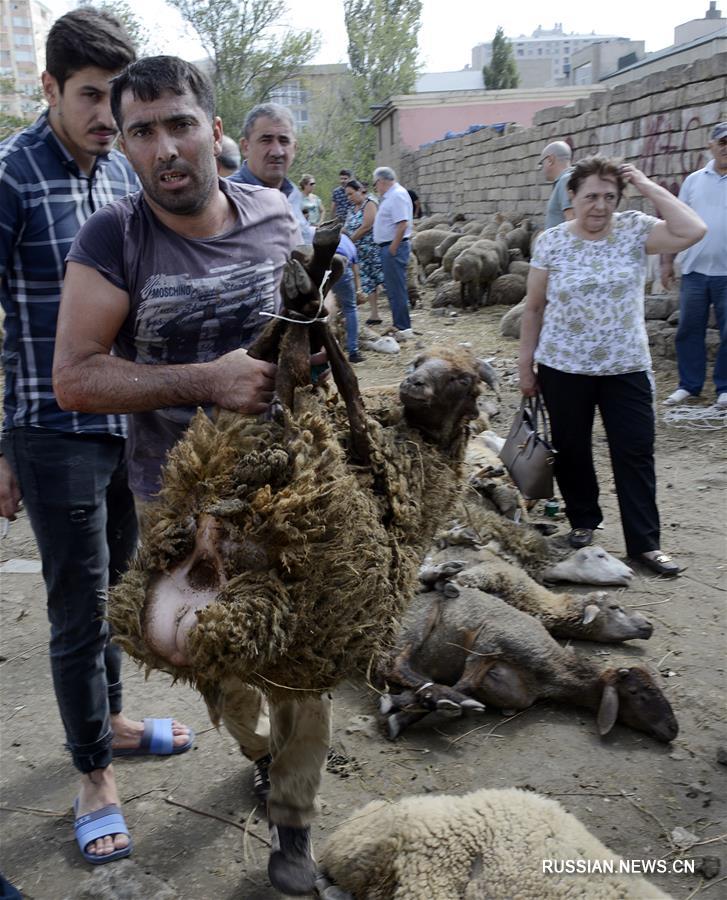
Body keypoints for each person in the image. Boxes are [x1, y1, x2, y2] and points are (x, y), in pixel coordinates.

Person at [52, 55, 329, 895]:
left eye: (179, 124)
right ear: (126, 148)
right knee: (216, 667)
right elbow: (75, 377)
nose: (165, 147)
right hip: (174, 498)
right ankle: (255, 751)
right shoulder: (113, 239)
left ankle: (293, 820)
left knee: (303, 660)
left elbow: (309, 333)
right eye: (142, 132)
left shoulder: (277, 214)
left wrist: (314, 357)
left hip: (287, 490)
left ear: (214, 131)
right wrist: (205, 379)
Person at [0, 10, 193, 867]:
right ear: (48, 89)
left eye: (114, 98)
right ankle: (92, 779)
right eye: (88, 96)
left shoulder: (122, 173)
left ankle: (111, 723)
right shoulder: (10, 176)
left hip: (128, 426)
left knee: (120, 585)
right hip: (49, 429)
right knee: (77, 609)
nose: (107, 116)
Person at [518, 156, 706, 577]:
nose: (599, 206)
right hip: (563, 365)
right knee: (572, 448)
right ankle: (584, 522)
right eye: (590, 196)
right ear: (572, 196)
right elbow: (533, 308)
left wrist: (645, 183)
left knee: (635, 449)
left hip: (626, 366)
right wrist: (525, 366)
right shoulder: (551, 241)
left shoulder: (635, 230)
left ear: (619, 199)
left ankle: (645, 544)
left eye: (609, 196)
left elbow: (693, 230)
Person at [661, 122, 727, 409]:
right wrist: (666, 261)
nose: (726, 147)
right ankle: (689, 385)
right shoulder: (694, 181)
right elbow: (674, 222)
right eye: (721, 142)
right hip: (695, 271)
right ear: (710, 145)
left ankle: (725, 388)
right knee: (689, 329)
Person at [229, 102, 313, 243]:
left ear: (295, 148)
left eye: (284, 141)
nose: (277, 151)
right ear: (245, 147)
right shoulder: (226, 198)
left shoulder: (293, 196)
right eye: (266, 140)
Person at [372, 166, 414, 336]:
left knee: (396, 288)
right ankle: (399, 324)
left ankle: (403, 327)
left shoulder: (397, 195)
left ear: (382, 181)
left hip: (393, 247)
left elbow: (402, 223)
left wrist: (392, 249)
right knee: (393, 288)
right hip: (388, 246)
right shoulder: (391, 196)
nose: (375, 187)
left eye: (375, 183)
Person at [343, 178, 383, 325]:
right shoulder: (352, 209)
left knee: (374, 279)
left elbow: (366, 226)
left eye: (351, 194)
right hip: (357, 251)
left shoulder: (369, 204)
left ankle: (378, 312)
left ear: (360, 191)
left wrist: (350, 241)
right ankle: (372, 314)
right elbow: (347, 227)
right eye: (347, 195)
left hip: (370, 249)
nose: (349, 197)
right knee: (364, 281)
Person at [332, 232, 365, 363]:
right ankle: (353, 351)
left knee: (322, 308)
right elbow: (356, 272)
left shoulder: (326, 236)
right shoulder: (350, 244)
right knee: (350, 308)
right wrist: (358, 291)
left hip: (323, 262)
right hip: (341, 265)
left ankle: (325, 350)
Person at [538, 140, 574, 229]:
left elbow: (572, 220)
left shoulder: (566, 180)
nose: (541, 168)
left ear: (550, 160)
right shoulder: (565, 179)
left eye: (541, 163)